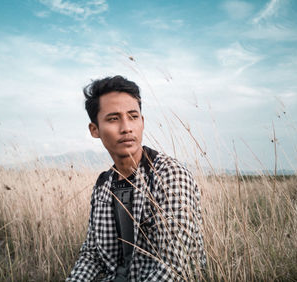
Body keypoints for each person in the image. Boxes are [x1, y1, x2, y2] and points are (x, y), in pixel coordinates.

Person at [67, 75, 205, 281]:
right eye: (113, 119)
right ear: (94, 130)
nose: (126, 128)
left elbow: (175, 269)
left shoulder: (169, 176)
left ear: (142, 121)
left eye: (133, 116)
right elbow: (91, 255)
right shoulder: (103, 185)